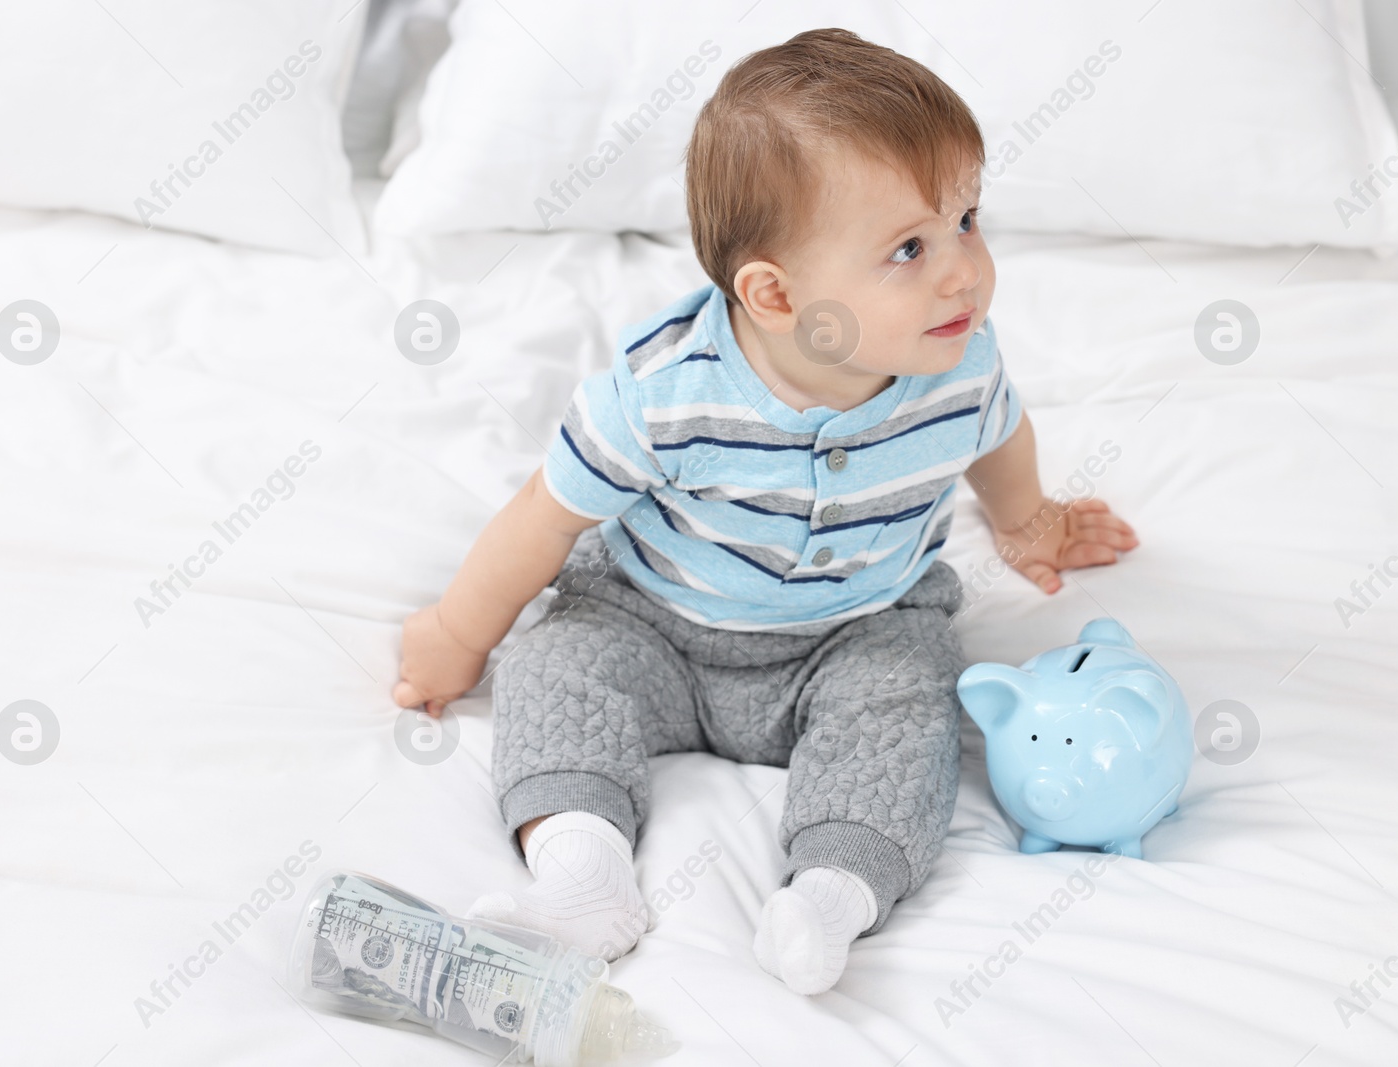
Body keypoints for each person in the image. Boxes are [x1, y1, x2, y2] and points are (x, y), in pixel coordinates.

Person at [393, 27, 1139, 995]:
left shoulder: (957, 361)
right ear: (775, 294)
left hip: (858, 627)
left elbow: (996, 439)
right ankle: (582, 871)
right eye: (908, 247)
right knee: (556, 661)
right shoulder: (664, 394)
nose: (961, 269)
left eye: (966, 218)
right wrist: (457, 630)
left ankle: (830, 893)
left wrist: (1027, 520)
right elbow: (546, 516)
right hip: (656, 616)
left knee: (909, 708)